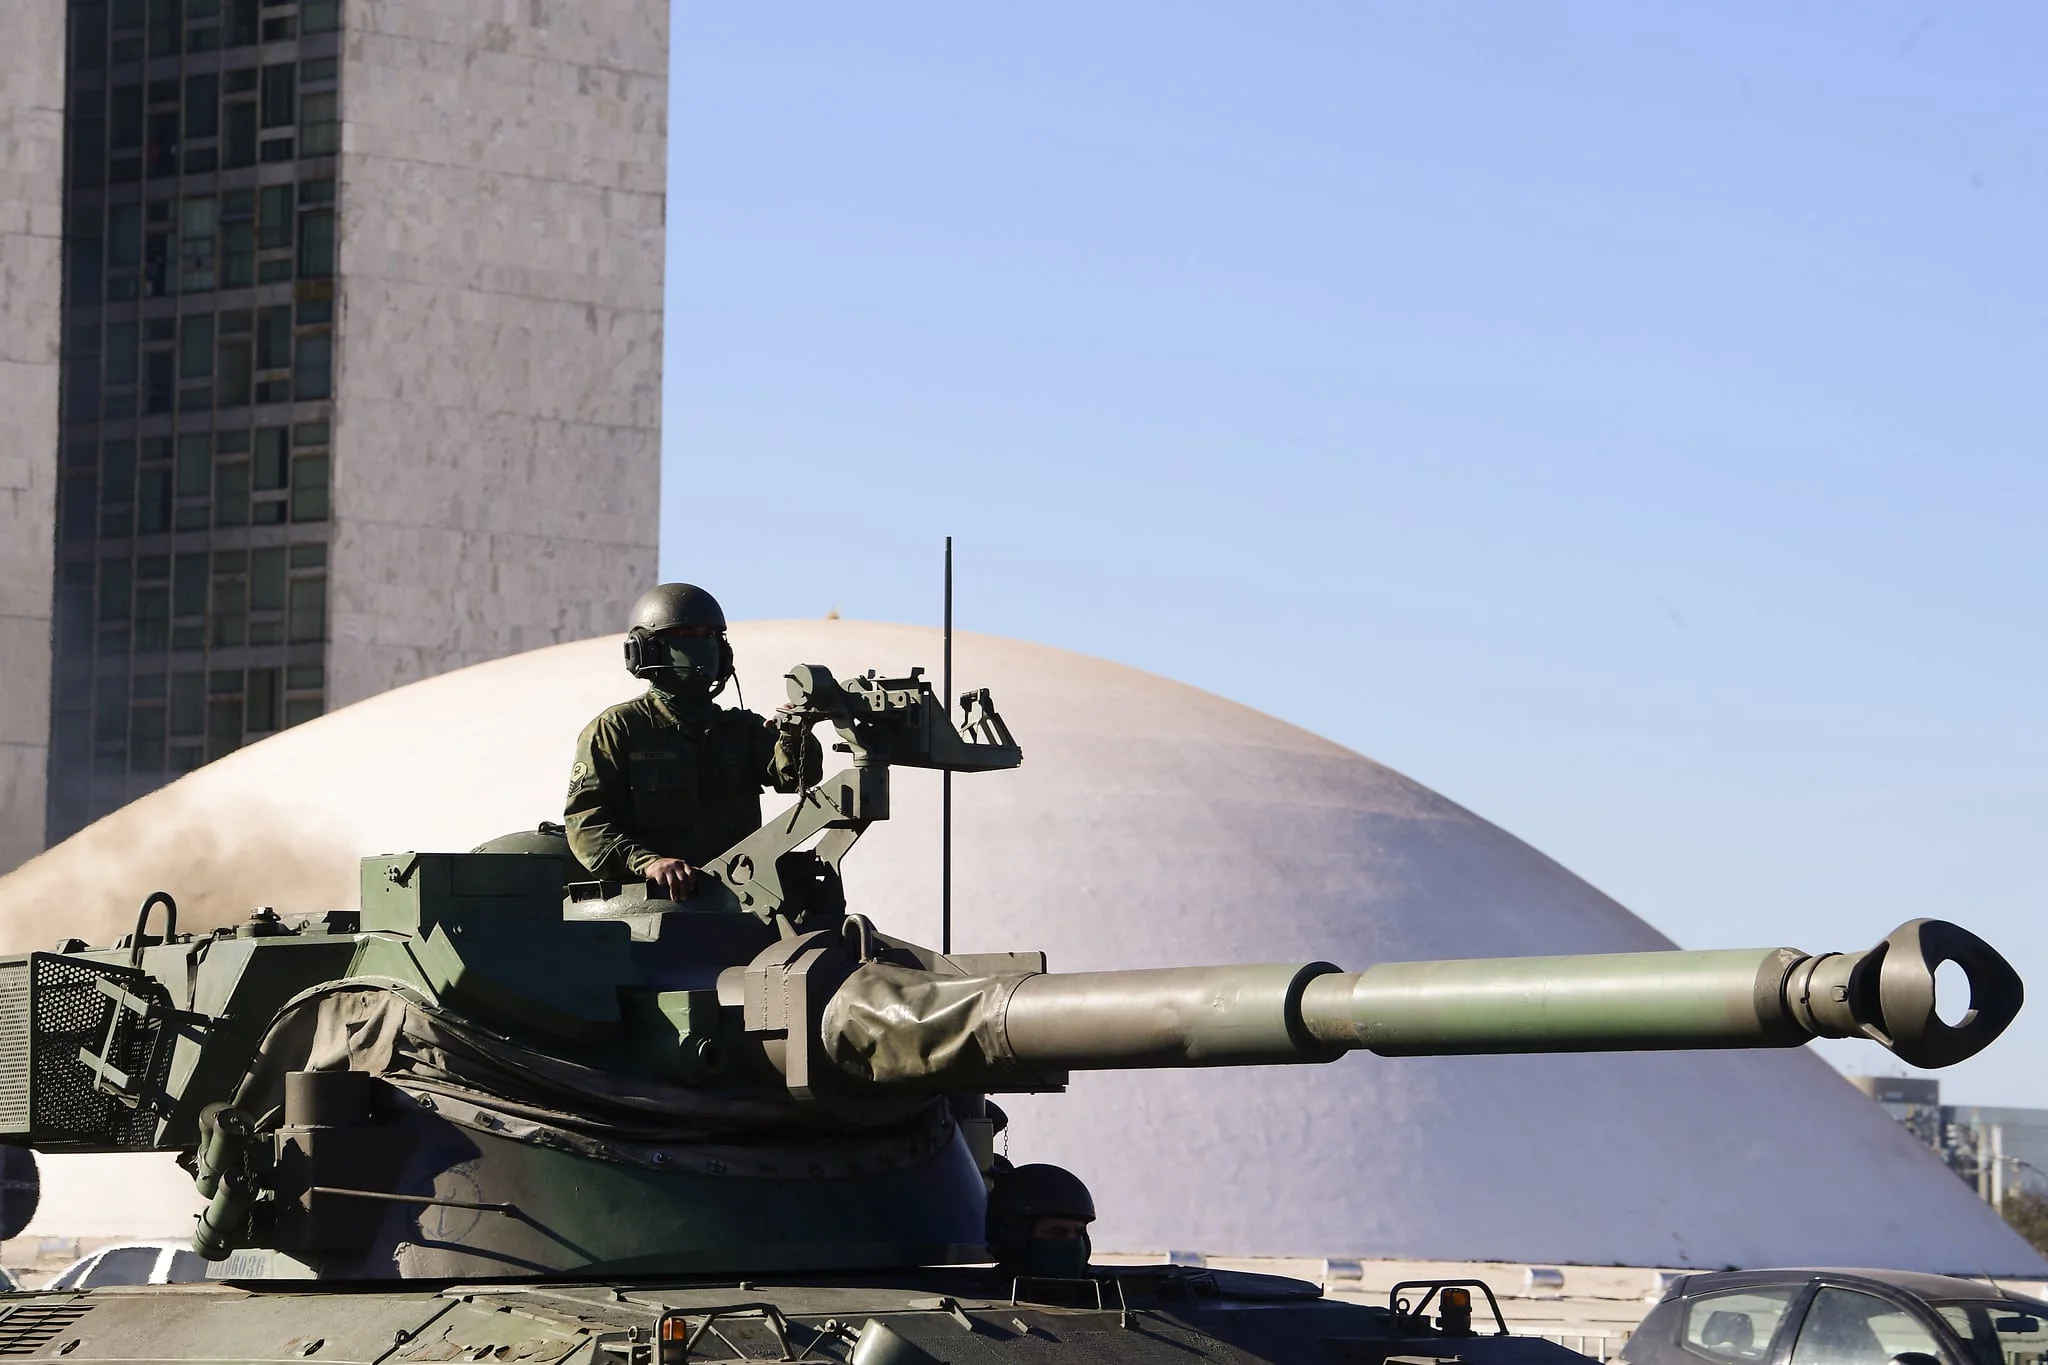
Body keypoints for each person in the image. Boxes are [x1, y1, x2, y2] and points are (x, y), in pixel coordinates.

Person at [564, 583, 818, 896]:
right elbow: (586, 822)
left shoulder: (740, 729)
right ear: (647, 649)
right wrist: (648, 863)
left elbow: (796, 778)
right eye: (685, 637)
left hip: (739, 901)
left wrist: (795, 731)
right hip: (653, 907)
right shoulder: (618, 729)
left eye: (709, 637)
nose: (701, 647)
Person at [985, 1162, 1096, 1279]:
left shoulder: (1100, 1292)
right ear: (1013, 1240)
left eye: (1080, 1233)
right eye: (1058, 1233)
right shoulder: (979, 1293)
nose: (1075, 1246)